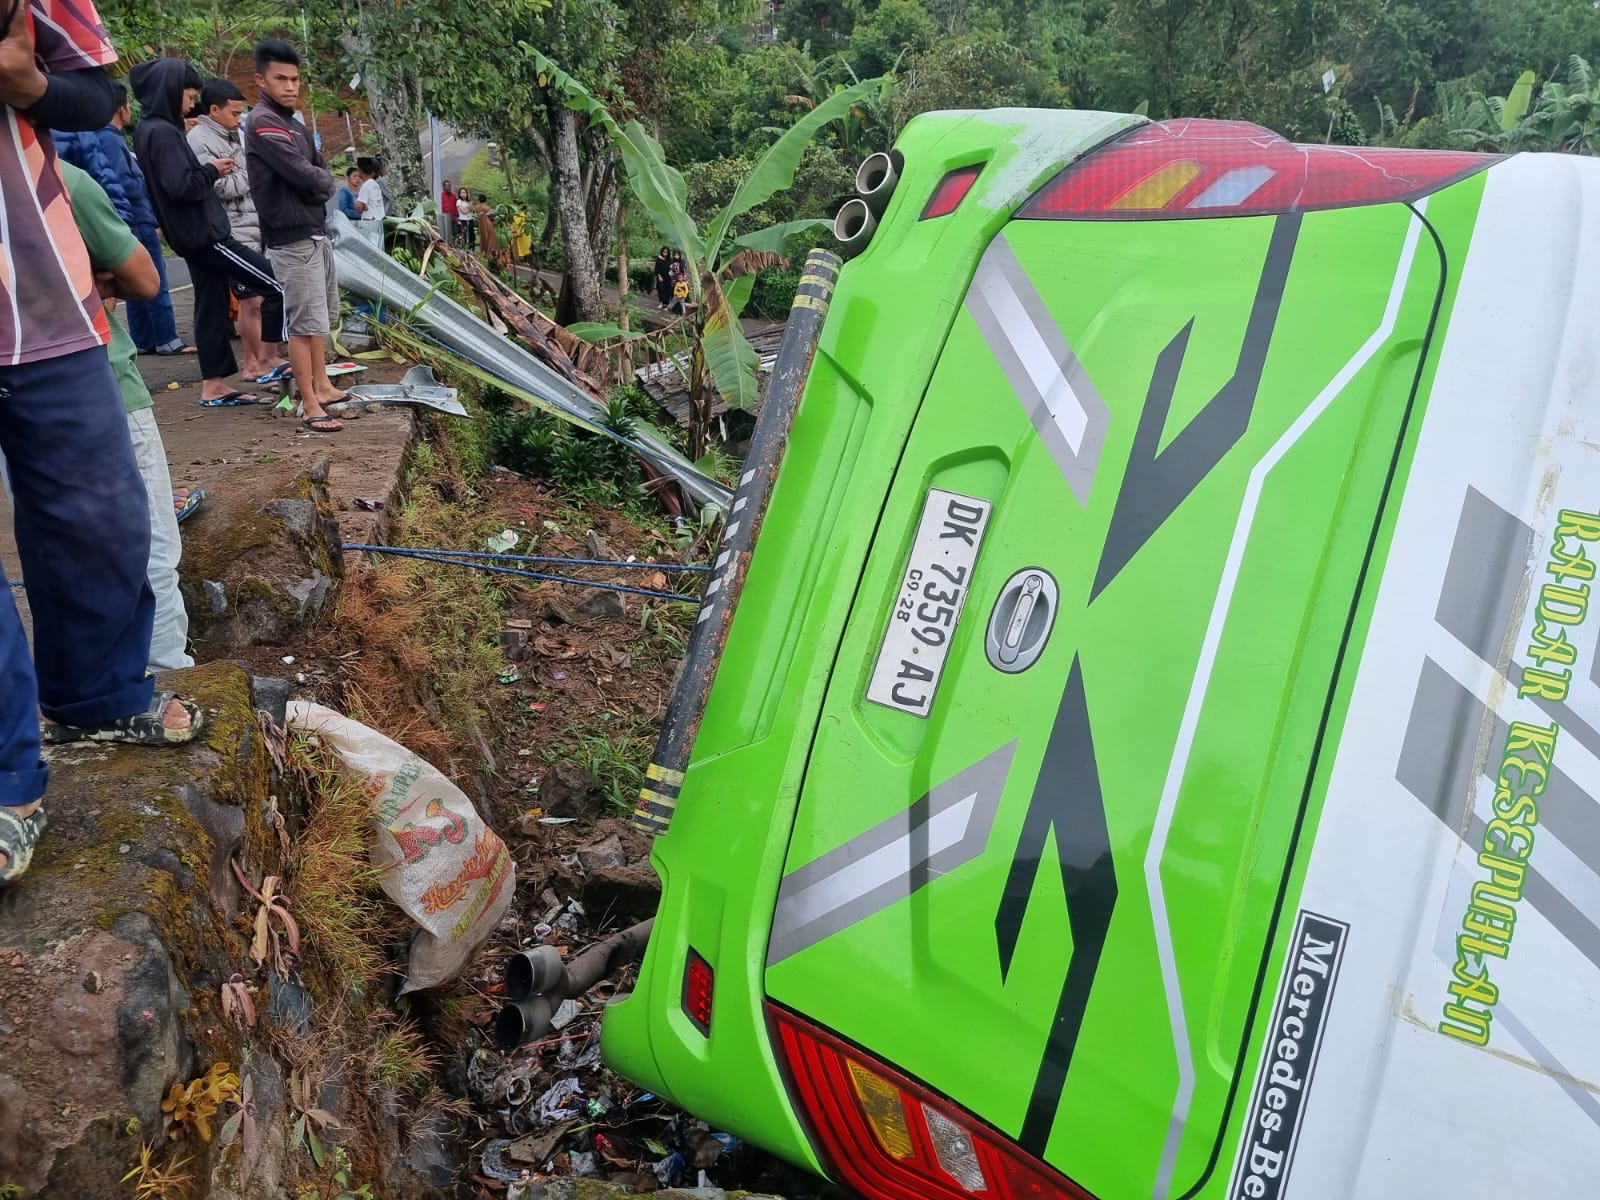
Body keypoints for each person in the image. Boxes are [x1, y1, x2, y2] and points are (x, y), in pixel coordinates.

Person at [0, 0, 203, 888]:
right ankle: (9, 786)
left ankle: (96, 696)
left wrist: (29, 83)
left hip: (41, 290)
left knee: (101, 515)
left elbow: (96, 94)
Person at [60, 160, 193, 671]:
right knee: (150, 545)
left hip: (16, 401)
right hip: (103, 384)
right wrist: (88, 279)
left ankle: (96, 686)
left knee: (65, 554)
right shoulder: (59, 180)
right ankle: (166, 677)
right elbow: (143, 277)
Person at [130, 57, 287, 407]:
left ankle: (213, 385)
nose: (191, 104)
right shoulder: (163, 133)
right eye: (188, 96)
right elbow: (181, 187)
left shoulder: (150, 129)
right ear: (170, 92)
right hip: (207, 234)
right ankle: (267, 361)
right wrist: (212, 171)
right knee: (273, 284)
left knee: (211, 306)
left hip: (190, 235)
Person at [244, 38, 344, 434]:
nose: (290, 86)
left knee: (318, 320)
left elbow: (318, 169)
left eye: (295, 79)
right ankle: (308, 403)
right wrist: (319, 180)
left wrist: (318, 179)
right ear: (261, 81)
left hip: (313, 231)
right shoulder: (263, 121)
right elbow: (306, 174)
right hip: (289, 237)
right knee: (302, 325)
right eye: (280, 78)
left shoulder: (294, 122)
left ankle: (323, 385)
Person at [54, 83, 193, 356]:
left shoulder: (101, 137)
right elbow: (117, 184)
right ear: (121, 108)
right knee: (152, 281)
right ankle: (166, 338)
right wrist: (131, 224)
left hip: (132, 219)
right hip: (134, 220)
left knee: (134, 289)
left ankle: (144, 339)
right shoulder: (107, 138)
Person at [188, 78, 285, 382]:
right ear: (214, 110)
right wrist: (251, 176)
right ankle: (255, 364)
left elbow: (239, 175)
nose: (240, 119)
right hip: (230, 226)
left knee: (255, 298)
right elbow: (218, 185)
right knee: (251, 300)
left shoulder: (232, 136)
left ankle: (261, 361)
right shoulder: (200, 140)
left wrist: (243, 172)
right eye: (235, 113)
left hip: (252, 224)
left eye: (242, 113)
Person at [475, 192, 497, 257]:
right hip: (488, 224)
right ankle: (490, 253)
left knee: (483, 238)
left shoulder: (477, 207)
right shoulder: (487, 208)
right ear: (486, 199)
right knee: (490, 238)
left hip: (481, 225)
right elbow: (492, 217)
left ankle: (483, 252)